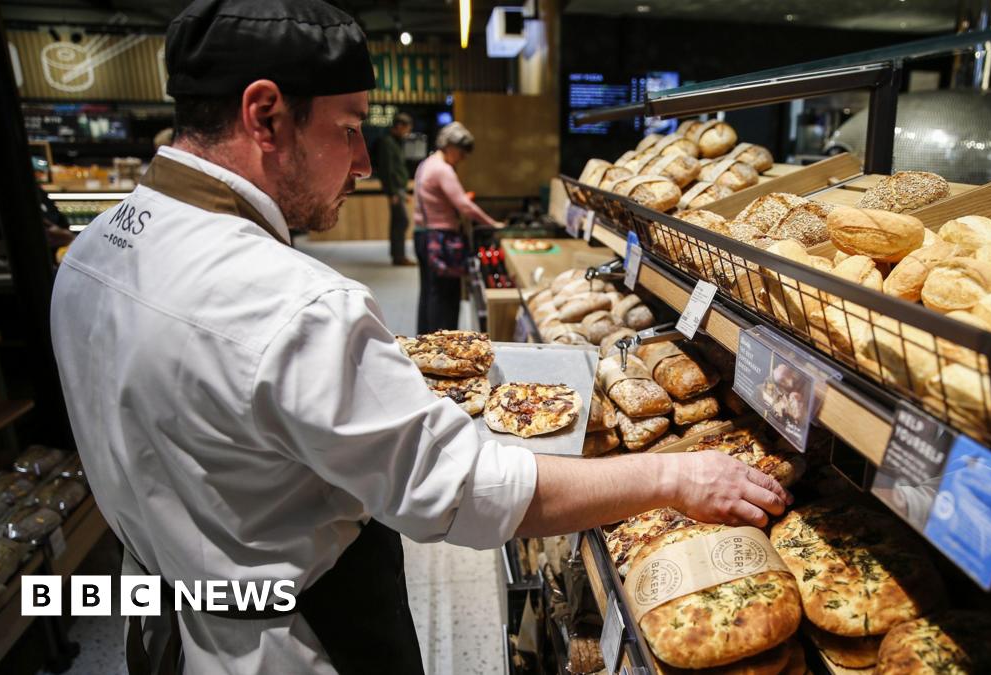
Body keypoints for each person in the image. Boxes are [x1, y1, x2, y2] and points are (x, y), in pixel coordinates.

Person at [49, 1, 789, 674]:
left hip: (166, 618)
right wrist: (675, 478)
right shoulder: (295, 302)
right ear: (265, 115)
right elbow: (460, 490)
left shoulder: (90, 251)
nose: (367, 162)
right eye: (349, 129)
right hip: (299, 637)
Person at [413, 121, 495, 333]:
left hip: (422, 235)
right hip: (440, 239)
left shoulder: (426, 164)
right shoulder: (442, 169)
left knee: (429, 293)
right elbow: (464, 206)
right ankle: (443, 347)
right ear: (450, 146)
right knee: (445, 297)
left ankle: (426, 344)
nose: (462, 158)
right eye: (461, 153)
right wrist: (493, 224)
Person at [374, 113, 414, 265]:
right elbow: (387, 169)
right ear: (399, 126)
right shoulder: (387, 143)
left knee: (399, 221)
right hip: (395, 189)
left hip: (399, 189)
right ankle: (399, 256)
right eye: (406, 129)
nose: (407, 133)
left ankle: (397, 255)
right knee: (401, 221)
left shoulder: (394, 142)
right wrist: (392, 192)